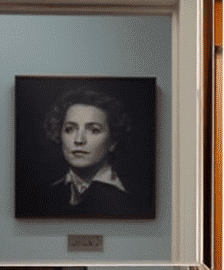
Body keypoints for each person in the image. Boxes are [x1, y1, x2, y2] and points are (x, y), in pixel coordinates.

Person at [40, 87, 145, 218]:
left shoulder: (136, 200)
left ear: (113, 141)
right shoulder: (42, 197)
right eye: (69, 129)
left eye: (94, 130)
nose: (79, 140)